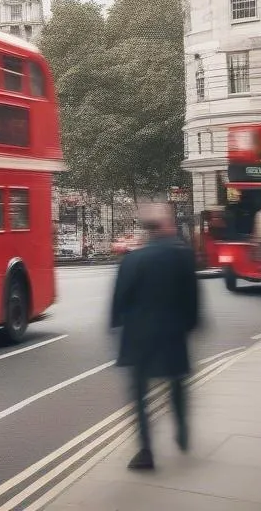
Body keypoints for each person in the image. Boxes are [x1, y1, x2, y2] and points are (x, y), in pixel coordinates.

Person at [110, 202, 201, 471]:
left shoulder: (132, 259)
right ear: (167, 226)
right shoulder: (183, 256)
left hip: (138, 337)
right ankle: (182, 429)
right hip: (173, 333)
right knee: (177, 384)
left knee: (140, 395)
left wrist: (119, 327)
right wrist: (189, 326)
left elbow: (118, 303)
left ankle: (145, 452)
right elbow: (193, 302)